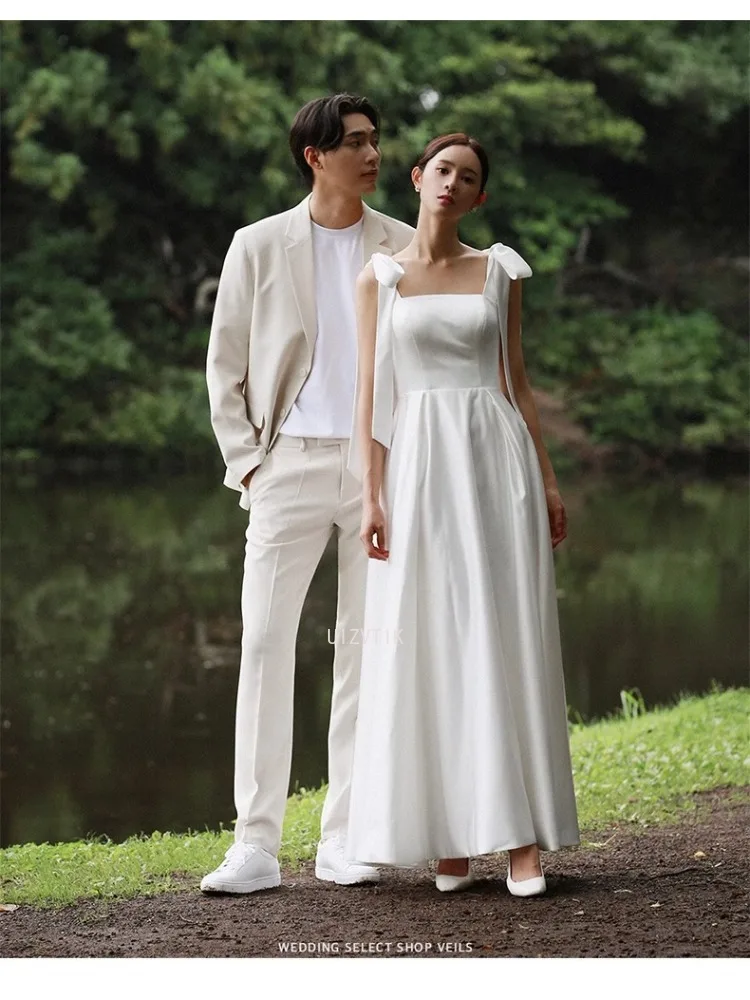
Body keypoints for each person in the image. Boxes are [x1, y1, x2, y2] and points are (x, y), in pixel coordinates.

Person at [345, 133, 580, 895]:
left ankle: (519, 841)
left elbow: (516, 380)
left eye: (468, 177)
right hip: (416, 470)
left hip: (493, 464)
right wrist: (371, 494)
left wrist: (546, 480)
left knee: (502, 635)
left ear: (479, 197)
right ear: (417, 179)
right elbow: (371, 398)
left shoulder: (499, 270)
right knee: (431, 641)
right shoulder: (379, 278)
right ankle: (449, 835)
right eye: (443, 169)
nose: (452, 183)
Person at [201, 94, 414, 894]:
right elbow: (225, 367)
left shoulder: (401, 241)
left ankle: (344, 838)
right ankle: (254, 845)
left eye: (376, 141)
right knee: (263, 647)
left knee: (363, 652)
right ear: (314, 156)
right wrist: (250, 465)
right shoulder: (256, 246)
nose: (372, 155)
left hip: (377, 471)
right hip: (285, 464)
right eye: (355, 143)